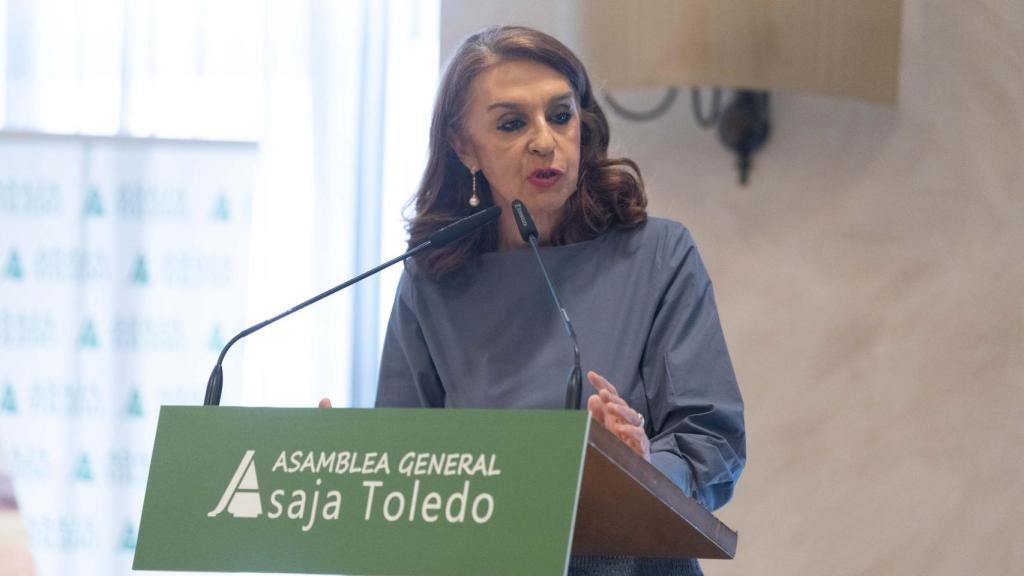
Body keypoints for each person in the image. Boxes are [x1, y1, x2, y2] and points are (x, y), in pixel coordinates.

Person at [372, 26, 745, 576]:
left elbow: (712, 440)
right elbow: (403, 466)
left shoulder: (658, 256)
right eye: (511, 123)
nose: (545, 141)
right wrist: (354, 462)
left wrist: (641, 465)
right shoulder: (431, 278)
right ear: (462, 145)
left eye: (561, 115)